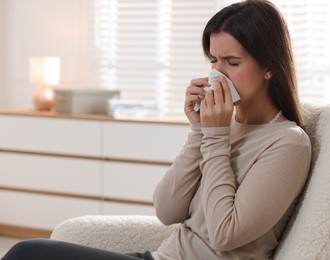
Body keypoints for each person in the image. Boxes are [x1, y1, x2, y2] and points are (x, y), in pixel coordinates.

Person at [2, 0, 311, 259]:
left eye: (232, 62)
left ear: (269, 67)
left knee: (27, 254)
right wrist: (199, 131)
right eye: (213, 60)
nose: (217, 74)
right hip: (159, 256)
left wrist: (215, 137)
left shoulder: (287, 144)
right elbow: (167, 210)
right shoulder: (223, 127)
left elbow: (223, 235)